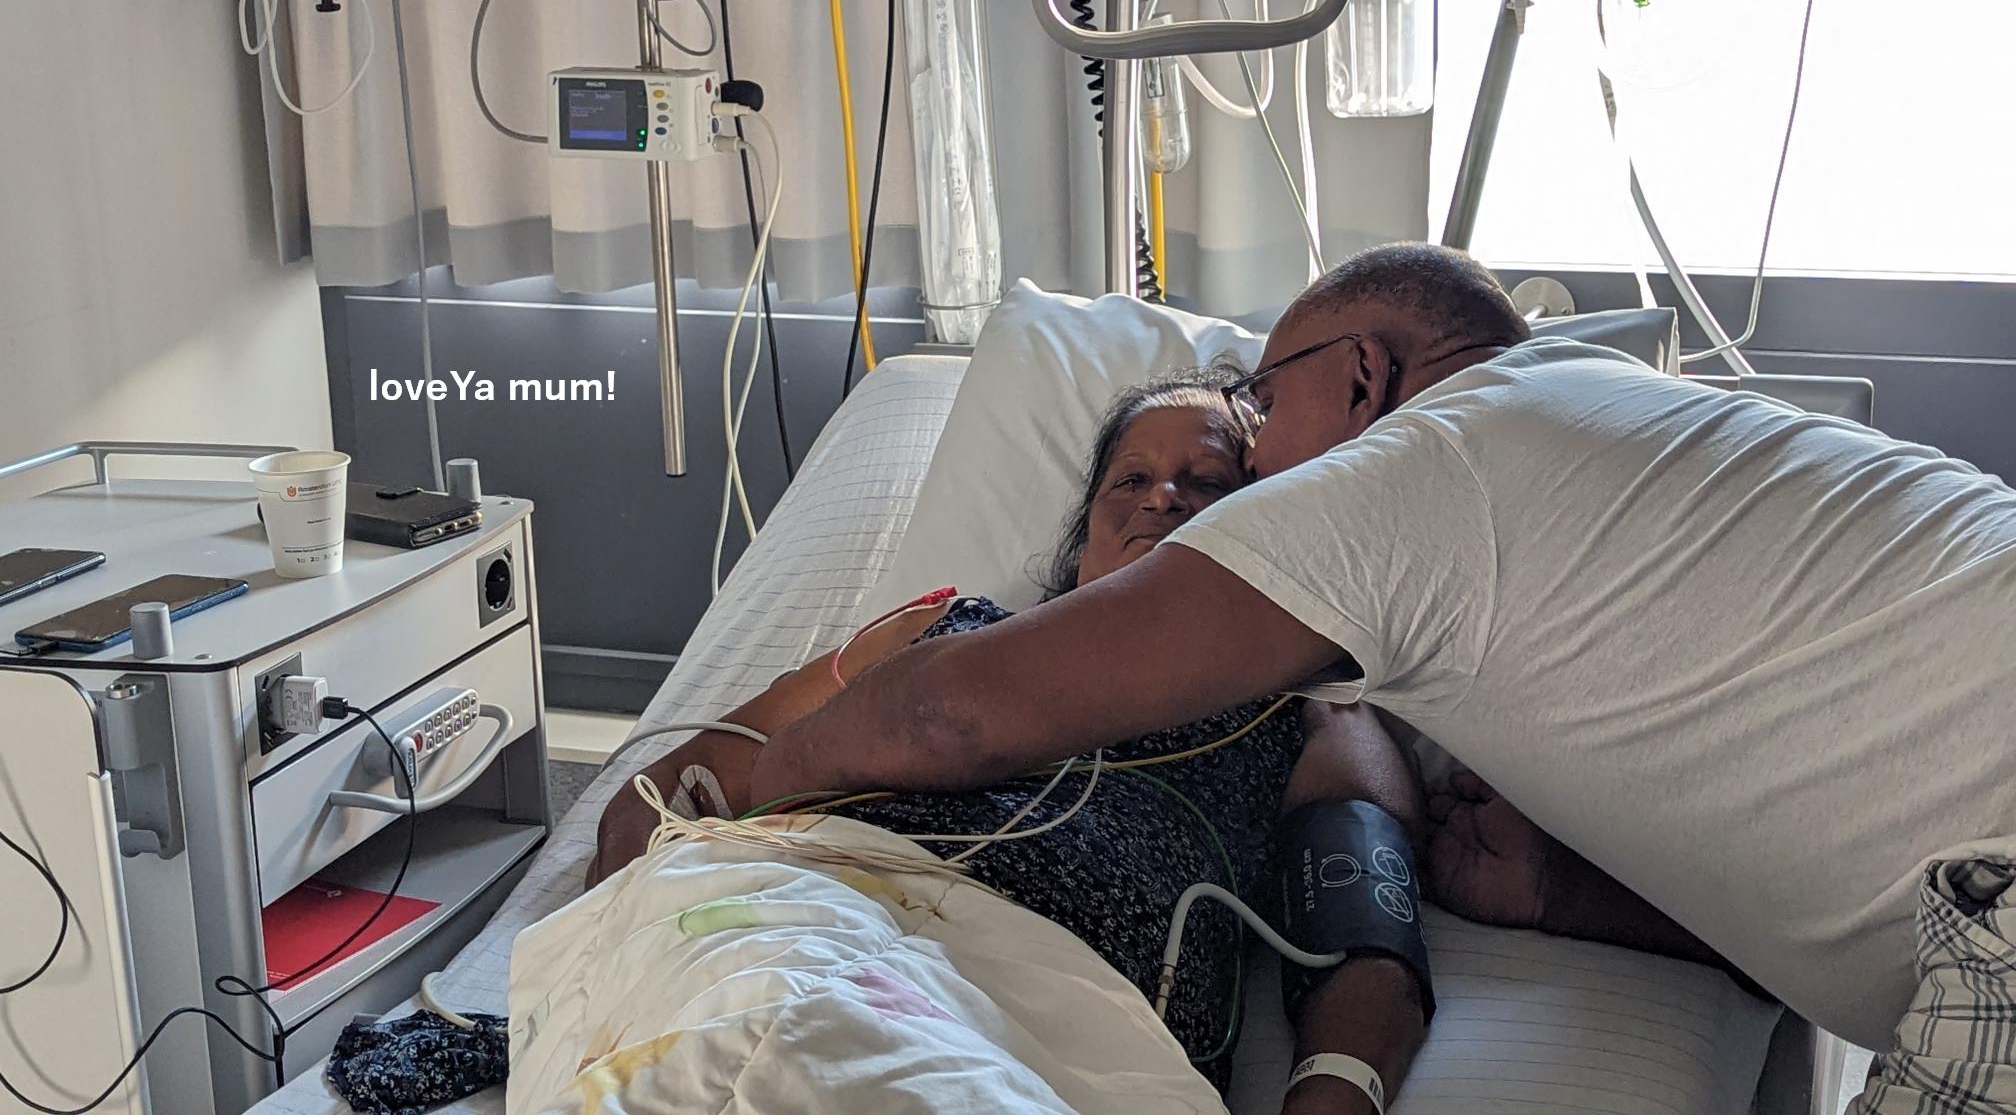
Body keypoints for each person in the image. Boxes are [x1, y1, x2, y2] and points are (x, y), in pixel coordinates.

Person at [740, 242, 2016, 1072]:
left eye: (1259, 413)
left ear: (1358, 377)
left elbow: (950, 719)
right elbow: (1811, 891)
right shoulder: (1617, 417)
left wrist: (726, 806)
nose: (1248, 465)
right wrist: (1563, 899)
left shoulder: (1409, 472)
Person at [594, 368, 1433, 1111]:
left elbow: (1368, 941)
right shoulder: (943, 630)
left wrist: (1333, 1098)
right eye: (1131, 479)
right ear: (1083, 535)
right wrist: (624, 948)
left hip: (1057, 1016)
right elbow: (681, 783)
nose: (1161, 498)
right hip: (794, 924)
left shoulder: (1302, 705)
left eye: (1207, 481)